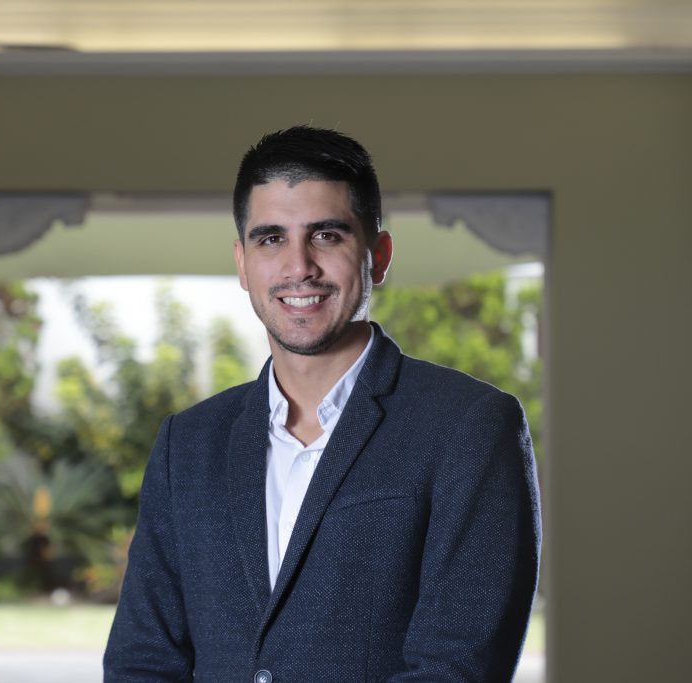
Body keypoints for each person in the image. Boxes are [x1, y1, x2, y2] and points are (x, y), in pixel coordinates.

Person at [104, 126, 541, 682]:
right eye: (271, 239)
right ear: (242, 263)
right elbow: (142, 662)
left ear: (378, 255)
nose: (298, 267)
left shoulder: (470, 427)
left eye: (327, 235)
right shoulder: (187, 444)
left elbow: (457, 669)